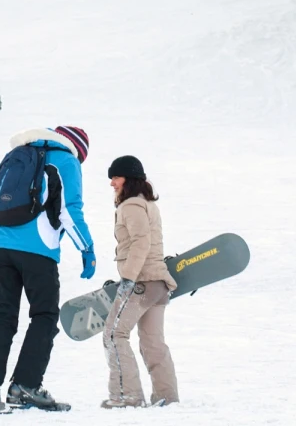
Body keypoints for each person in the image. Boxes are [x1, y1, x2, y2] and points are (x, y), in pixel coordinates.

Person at [0, 126, 95, 411]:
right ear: (77, 149)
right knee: (44, 315)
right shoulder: (66, 160)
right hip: (38, 250)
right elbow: (69, 209)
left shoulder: (16, 155)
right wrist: (86, 248)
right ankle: (25, 386)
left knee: (3, 314)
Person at [102, 155, 178, 408]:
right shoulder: (148, 204)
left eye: (116, 177)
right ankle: (167, 397)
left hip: (141, 284)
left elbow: (140, 243)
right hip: (158, 285)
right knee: (152, 342)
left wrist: (127, 278)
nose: (112, 183)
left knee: (114, 334)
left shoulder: (131, 206)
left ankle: (127, 397)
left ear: (129, 179)